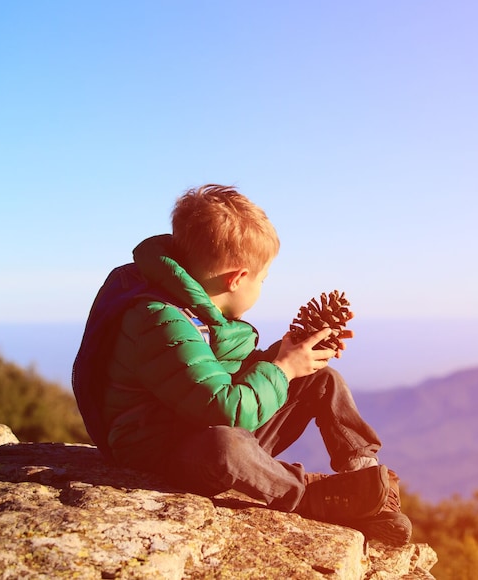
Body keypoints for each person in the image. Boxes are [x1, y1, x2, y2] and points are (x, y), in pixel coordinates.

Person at [71, 184, 410, 545]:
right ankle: (309, 496)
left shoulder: (195, 304)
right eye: (262, 278)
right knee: (227, 445)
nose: (263, 286)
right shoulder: (160, 321)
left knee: (321, 379)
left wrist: (283, 357)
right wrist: (280, 370)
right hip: (163, 453)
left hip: (199, 420)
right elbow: (226, 409)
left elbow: (215, 372)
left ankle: (369, 481)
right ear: (236, 278)